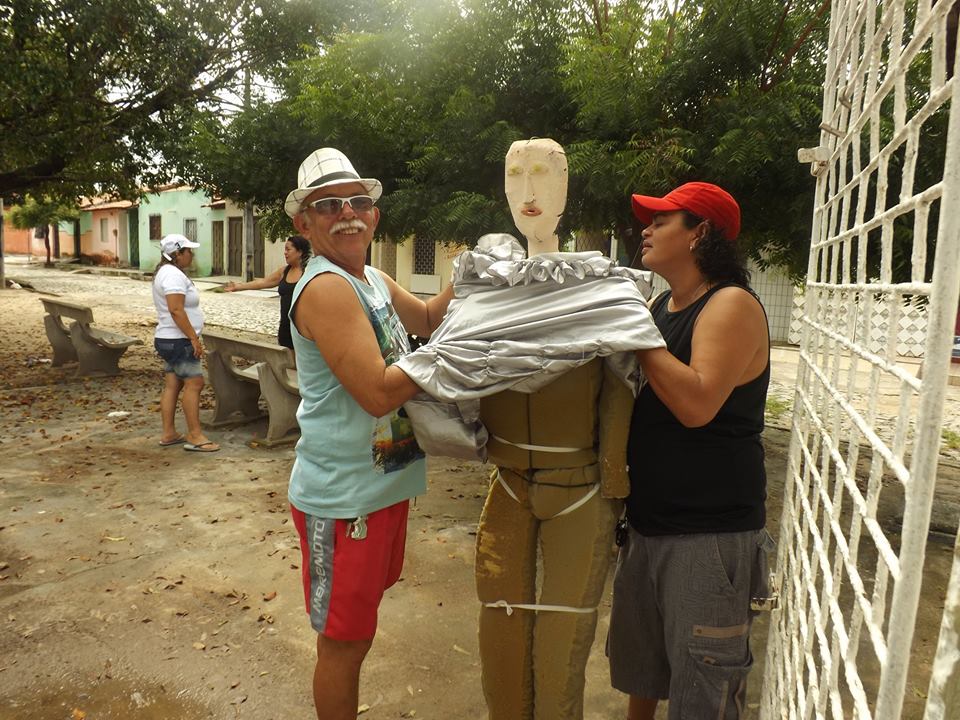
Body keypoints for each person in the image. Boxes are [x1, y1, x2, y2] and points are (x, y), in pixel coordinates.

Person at [282, 147, 454, 720]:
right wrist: (448, 362)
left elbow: (426, 318)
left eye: (357, 201)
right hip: (344, 498)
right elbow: (379, 393)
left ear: (375, 215)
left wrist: (471, 275)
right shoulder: (327, 288)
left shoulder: (371, 278)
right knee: (344, 644)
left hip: (379, 486)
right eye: (328, 205)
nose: (347, 213)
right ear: (304, 222)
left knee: (358, 633)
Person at [473, 138, 635, 720]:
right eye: (515, 176)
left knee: (564, 640)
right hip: (508, 481)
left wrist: (614, 476)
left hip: (580, 485)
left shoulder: (599, 284)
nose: (529, 192)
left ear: (565, 187)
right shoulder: (485, 282)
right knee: (500, 625)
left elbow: (621, 383)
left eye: (542, 175)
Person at [607, 182, 773, 720]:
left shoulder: (730, 304)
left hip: (708, 534)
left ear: (700, 232)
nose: (646, 229)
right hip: (649, 524)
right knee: (643, 670)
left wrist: (636, 332)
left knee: (703, 691)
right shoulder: (662, 305)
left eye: (661, 220)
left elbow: (697, 404)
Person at [152, 233, 220, 452]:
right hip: (178, 339)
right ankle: (195, 435)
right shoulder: (172, 275)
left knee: (173, 384)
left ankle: (169, 433)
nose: (192, 255)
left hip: (169, 338)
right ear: (178, 253)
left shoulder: (167, 272)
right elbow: (176, 309)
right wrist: (193, 337)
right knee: (195, 383)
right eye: (189, 251)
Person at [223, 235, 311, 349]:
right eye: (285, 249)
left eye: (288, 249)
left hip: (303, 330)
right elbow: (263, 282)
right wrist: (238, 287)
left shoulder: (309, 273)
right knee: (287, 357)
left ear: (299, 252)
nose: (285, 253)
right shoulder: (284, 271)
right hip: (285, 328)